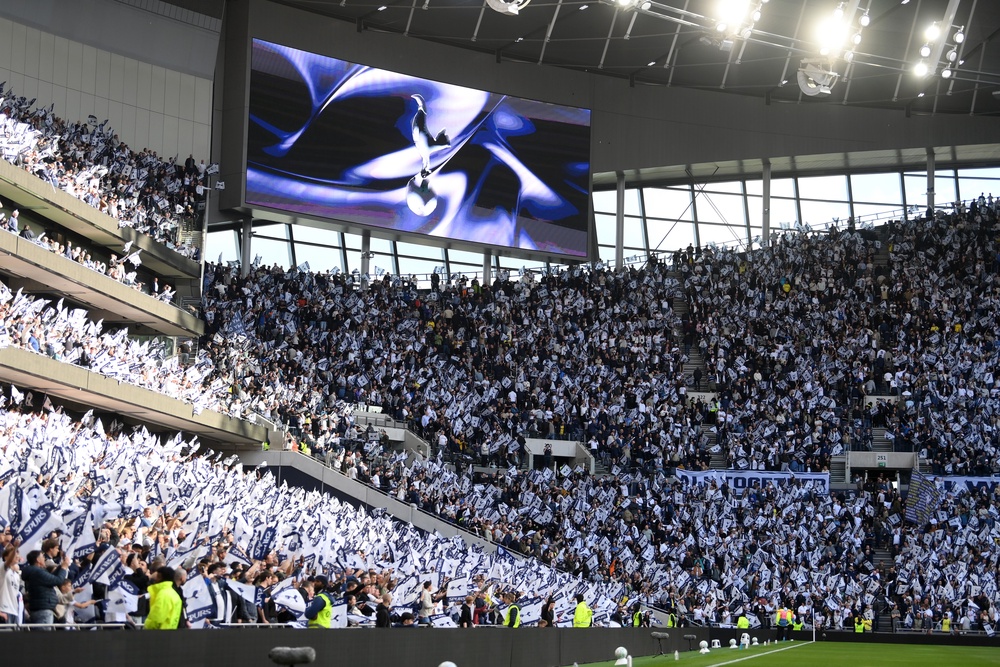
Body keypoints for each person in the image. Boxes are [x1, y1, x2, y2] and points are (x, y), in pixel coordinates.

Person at [21, 548, 69, 627]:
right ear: (37, 559)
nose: (44, 558)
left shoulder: (36, 571)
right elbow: (57, 580)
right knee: (43, 637)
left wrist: (61, 567)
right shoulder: (38, 572)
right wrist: (64, 568)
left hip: (40, 609)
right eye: (42, 556)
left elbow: (52, 577)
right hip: (43, 611)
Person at [409, 94, 450, 178]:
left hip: (418, 133)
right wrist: (446, 145)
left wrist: (445, 145)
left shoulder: (429, 149)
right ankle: (424, 172)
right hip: (418, 134)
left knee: (421, 113)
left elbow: (440, 146)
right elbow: (440, 146)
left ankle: (424, 172)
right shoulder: (429, 149)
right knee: (421, 113)